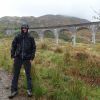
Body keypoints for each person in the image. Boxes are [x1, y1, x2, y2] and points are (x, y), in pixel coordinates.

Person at [9, 24, 36, 99]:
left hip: (27, 59)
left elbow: (34, 47)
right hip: (18, 58)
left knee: (28, 75)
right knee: (15, 75)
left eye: (25, 28)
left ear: (27, 29)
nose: (24, 29)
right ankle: (13, 90)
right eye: (23, 28)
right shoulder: (18, 36)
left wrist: (32, 57)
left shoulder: (31, 37)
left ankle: (29, 90)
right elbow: (13, 45)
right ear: (21, 28)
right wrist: (12, 55)